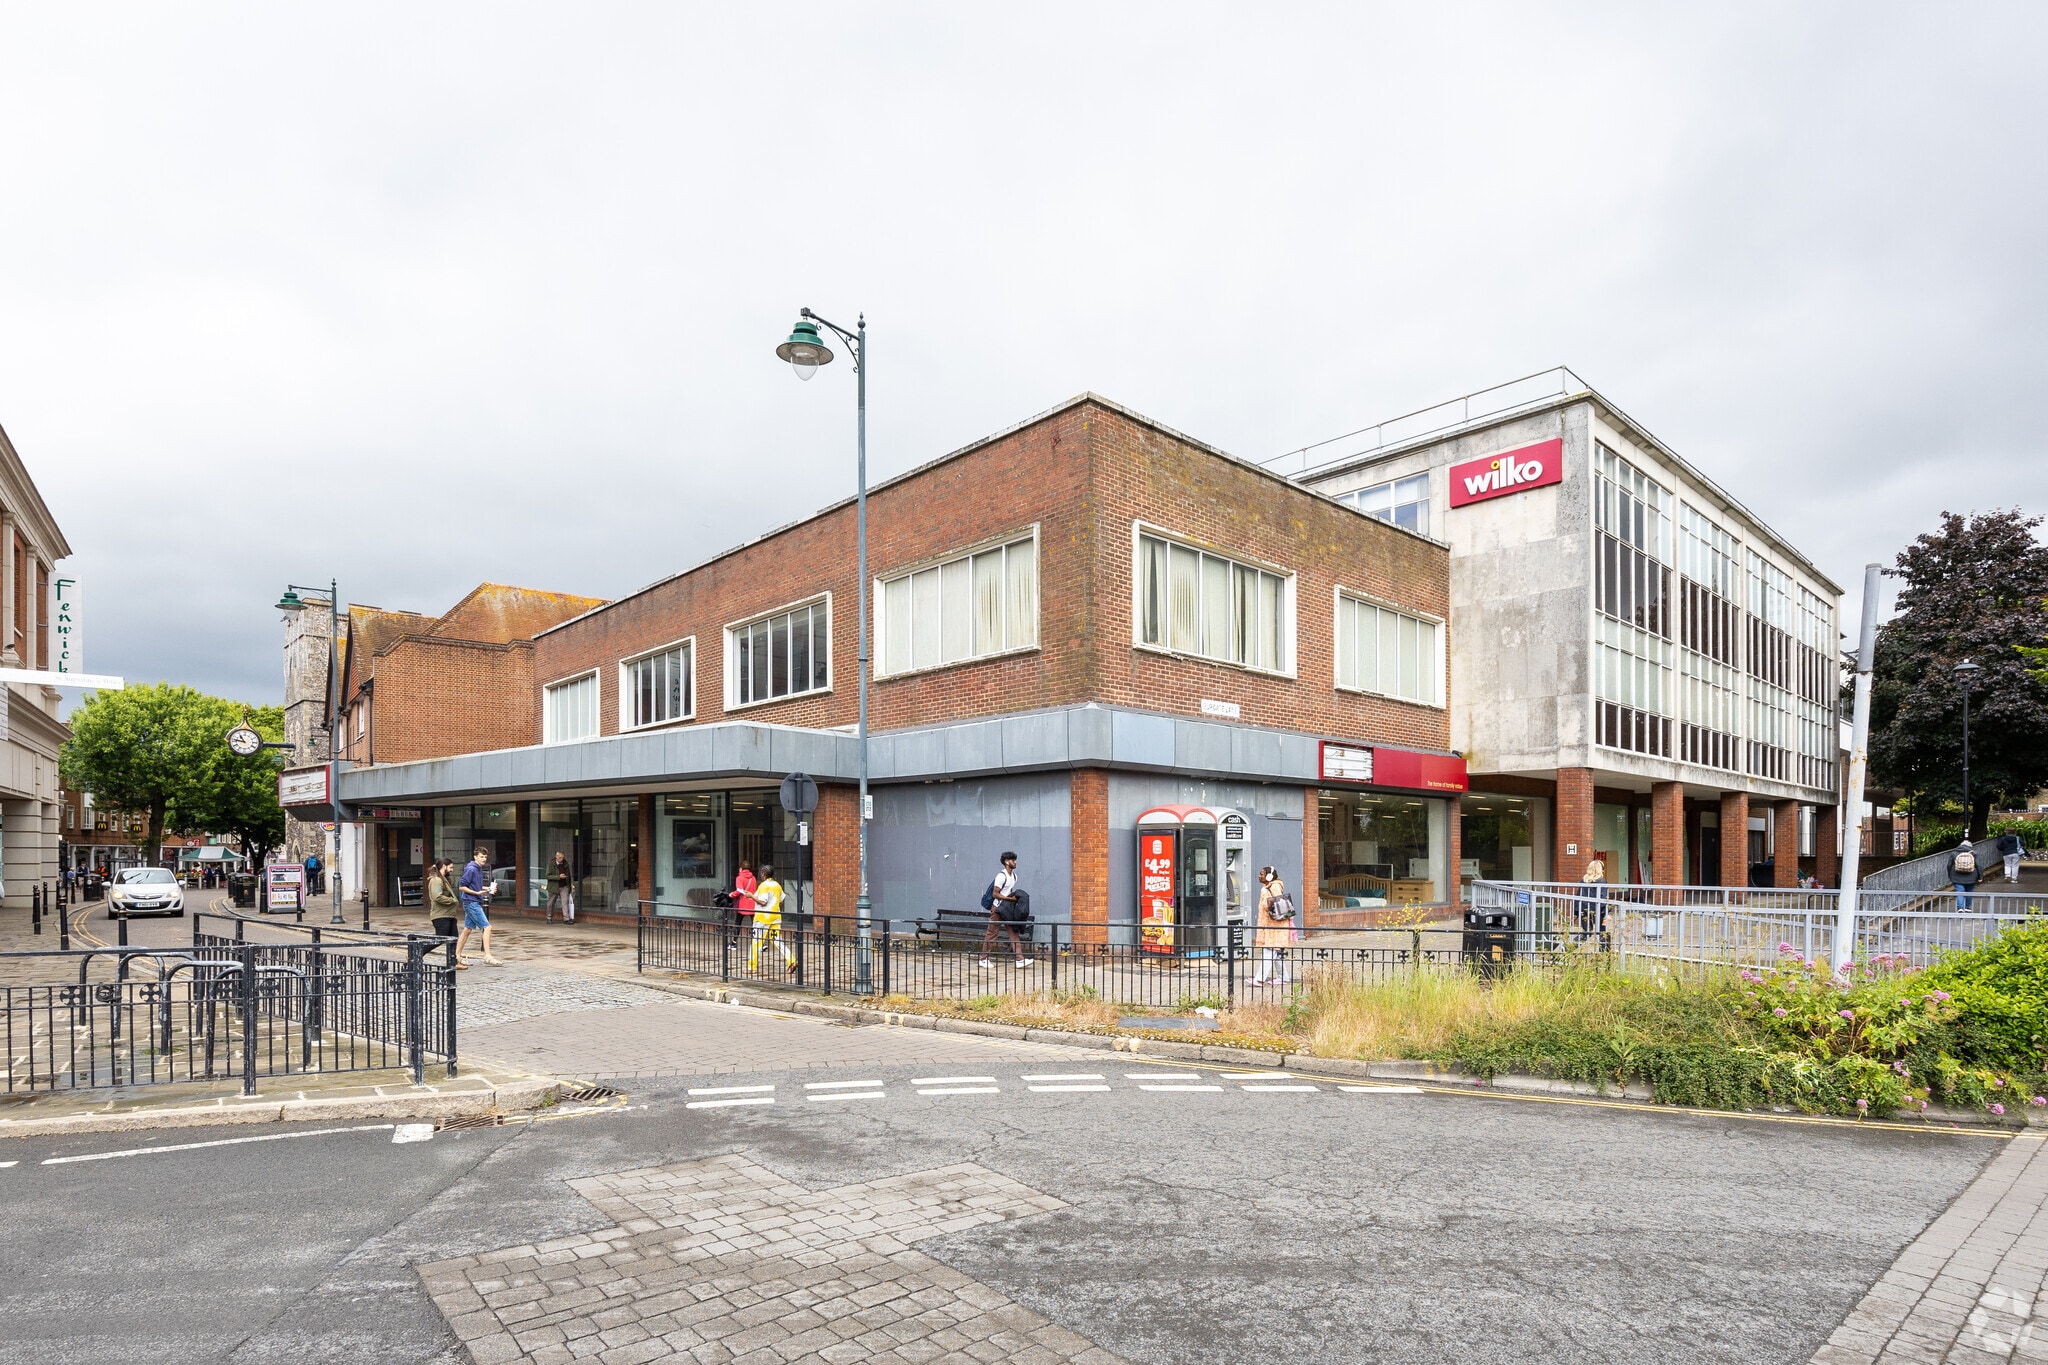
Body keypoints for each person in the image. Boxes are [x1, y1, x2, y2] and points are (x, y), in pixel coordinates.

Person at [979, 852, 1030, 970]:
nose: (1015, 862)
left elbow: (1008, 891)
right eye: (1013, 860)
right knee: (992, 933)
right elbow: (995, 894)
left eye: (1015, 860)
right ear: (1007, 862)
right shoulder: (1001, 876)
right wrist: (1010, 899)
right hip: (997, 909)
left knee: (1014, 932)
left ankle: (1020, 960)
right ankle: (983, 959)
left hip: (1007, 909)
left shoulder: (1014, 876)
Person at [746, 861, 795, 974]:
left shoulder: (764, 886)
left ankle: (751, 967)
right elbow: (781, 901)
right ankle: (792, 961)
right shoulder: (777, 885)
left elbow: (763, 902)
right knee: (777, 941)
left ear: (763, 874)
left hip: (763, 918)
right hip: (775, 917)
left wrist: (751, 896)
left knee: (756, 942)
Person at [456, 846, 503, 966]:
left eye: (485, 857)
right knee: (487, 927)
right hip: (471, 902)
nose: (483, 859)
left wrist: (487, 888)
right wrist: (477, 893)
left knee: (467, 930)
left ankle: (456, 956)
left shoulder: (478, 868)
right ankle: (487, 956)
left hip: (472, 901)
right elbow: (462, 886)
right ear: (475, 856)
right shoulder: (471, 869)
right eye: (481, 857)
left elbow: (474, 886)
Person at [1253, 865, 1295, 986]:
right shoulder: (1269, 886)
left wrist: (1264, 894)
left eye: (1262, 874)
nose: (1259, 876)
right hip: (1272, 925)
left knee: (1269, 950)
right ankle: (1283, 977)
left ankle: (1259, 979)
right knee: (1275, 952)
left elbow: (1273, 904)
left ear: (1269, 876)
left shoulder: (1273, 887)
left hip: (1275, 925)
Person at [426, 860, 464, 965]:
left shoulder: (443, 879)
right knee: (440, 939)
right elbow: (437, 896)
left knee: (453, 938)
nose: (451, 870)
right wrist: (453, 901)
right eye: (450, 868)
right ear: (444, 866)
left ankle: (453, 962)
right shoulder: (436, 880)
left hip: (449, 914)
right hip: (440, 915)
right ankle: (416, 953)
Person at [1575, 858, 1607, 942]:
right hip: (1597, 910)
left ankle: (1569, 947)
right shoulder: (1601, 881)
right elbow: (1603, 898)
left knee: (1587, 932)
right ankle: (1603, 952)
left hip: (1583, 909)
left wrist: (1577, 911)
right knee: (1602, 932)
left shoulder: (1583, 880)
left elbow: (1578, 895)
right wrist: (1606, 911)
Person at [1950, 838, 1980, 910]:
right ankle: (1968, 907)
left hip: (1957, 876)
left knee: (1960, 891)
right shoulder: (1973, 853)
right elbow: (1979, 865)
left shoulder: (1954, 853)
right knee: (1969, 891)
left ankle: (1960, 907)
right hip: (1971, 876)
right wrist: (1980, 876)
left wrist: (1950, 875)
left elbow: (1949, 865)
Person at [548, 851, 575, 924]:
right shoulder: (551, 864)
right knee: (551, 903)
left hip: (564, 886)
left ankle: (566, 919)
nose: (561, 859)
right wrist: (558, 877)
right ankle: (549, 917)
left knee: (565, 902)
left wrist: (569, 888)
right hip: (554, 886)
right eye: (560, 857)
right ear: (556, 857)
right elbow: (548, 876)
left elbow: (569, 876)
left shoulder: (565, 864)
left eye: (563, 857)